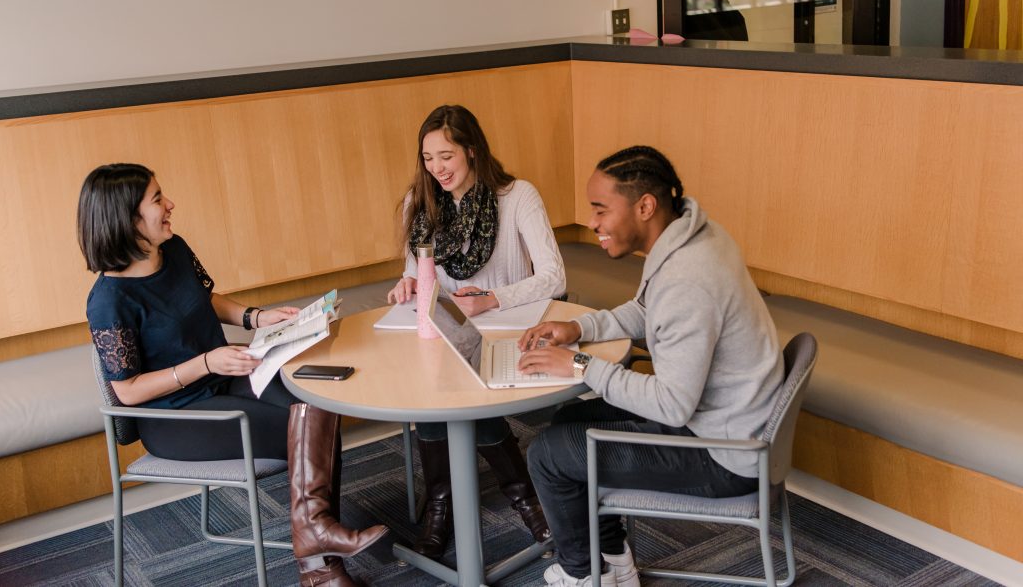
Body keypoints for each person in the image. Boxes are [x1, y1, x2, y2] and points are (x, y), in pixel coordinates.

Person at [79, 163, 388, 587]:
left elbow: (204, 300)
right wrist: (206, 363)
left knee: (315, 405)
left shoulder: (174, 250)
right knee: (300, 427)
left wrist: (257, 318)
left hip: (221, 381)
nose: (170, 204)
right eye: (156, 200)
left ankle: (319, 557)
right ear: (127, 218)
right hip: (174, 418)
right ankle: (319, 564)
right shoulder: (108, 301)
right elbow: (127, 392)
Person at [517, 146, 783, 587]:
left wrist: (580, 364)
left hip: (724, 453)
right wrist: (578, 329)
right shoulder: (691, 236)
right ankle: (615, 563)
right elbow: (645, 310)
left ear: (645, 206)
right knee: (571, 419)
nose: (593, 223)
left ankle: (584, 576)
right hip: (723, 419)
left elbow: (672, 405)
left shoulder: (688, 278)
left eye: (601, 210)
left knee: (548, 455)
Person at [387, 104, 565, 558]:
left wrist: (491, 299)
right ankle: (518, 501)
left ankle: (445, 506)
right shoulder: (420, 202)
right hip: (448, 333)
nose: (436, 168)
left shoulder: (517, 196)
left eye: (445, 156)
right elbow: (417, 274)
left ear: (471, 149)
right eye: (428, 158)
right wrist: (408, 282)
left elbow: (554, 277)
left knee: (458, 389)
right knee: (437, 384)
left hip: (507, 327)